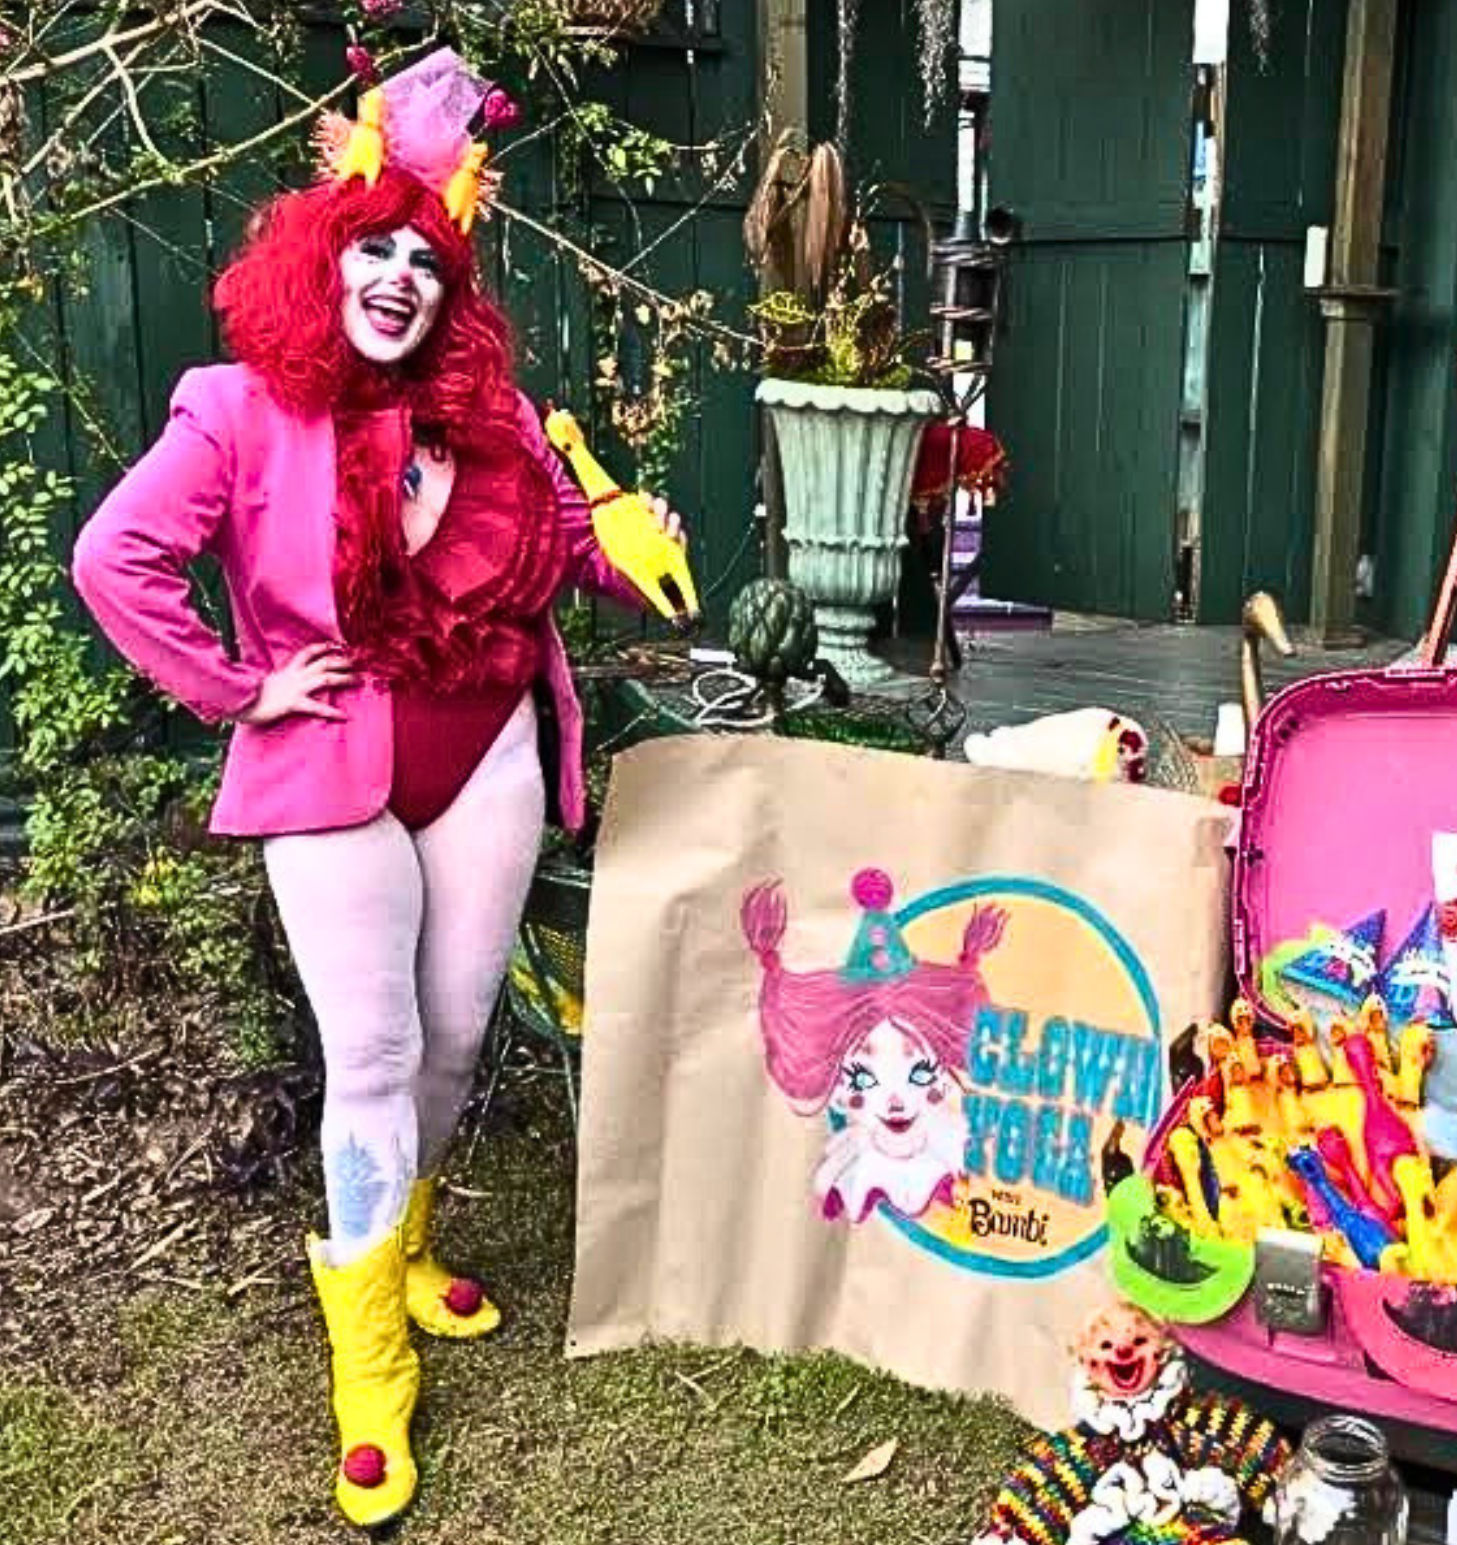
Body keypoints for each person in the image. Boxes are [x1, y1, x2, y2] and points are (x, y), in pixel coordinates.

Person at [69, 49, 681, 1529]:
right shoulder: (234, 406)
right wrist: (234, 686)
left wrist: (629, 538)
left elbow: (570, 535)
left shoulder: (497, 417)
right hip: (333, 757)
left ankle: (399, 1238)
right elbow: (114, 559)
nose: (401, 276)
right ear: (324, 258)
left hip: (489, 751)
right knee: (374, 1053)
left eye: (428, 257)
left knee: (459, 1037)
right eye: (375, 248)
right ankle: (367, 1357)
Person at [740, 869, 1005, 1225]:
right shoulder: (843, 1163)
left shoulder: (959, 1148)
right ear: (836, 1091)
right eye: (865, 1078)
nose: (895, 1101)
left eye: (920, 1072)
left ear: (943, 1079)